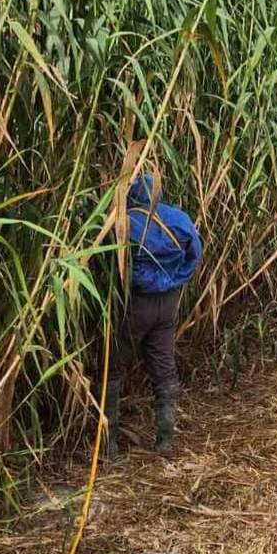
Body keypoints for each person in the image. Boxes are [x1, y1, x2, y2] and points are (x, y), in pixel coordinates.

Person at [104, 173, 202, 459]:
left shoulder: (126, 222)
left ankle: (108, 447)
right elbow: (194, 254)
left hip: (136, 305)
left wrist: (143, 280)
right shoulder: (179, 219)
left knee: (113, 369)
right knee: (165, 370)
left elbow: (113, 260)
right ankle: (165, 443)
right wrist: (173, 279)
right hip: (168, 305)